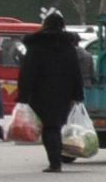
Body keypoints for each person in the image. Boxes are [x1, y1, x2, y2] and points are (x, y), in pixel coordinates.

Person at [17, 10, 85, 173]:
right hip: (64, 93)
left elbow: (27, 72)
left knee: (49, 127)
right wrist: (78, 95)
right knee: (55, 126)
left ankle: (55, 161)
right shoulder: (68, 47)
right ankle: (56, 159)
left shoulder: (35, 46)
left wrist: (23, 95)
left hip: (40, 92)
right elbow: (76, 72)